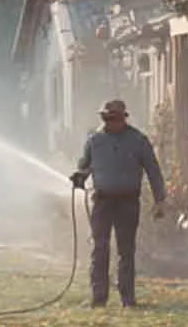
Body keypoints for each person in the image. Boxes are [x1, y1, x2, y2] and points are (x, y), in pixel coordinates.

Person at [69, 98, 166, 308]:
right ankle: (98, 298)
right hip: (102, 202)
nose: (109, 122)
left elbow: (153, 170)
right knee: (100, 248)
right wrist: (80, 176)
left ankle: (127, 299)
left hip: (127, 202)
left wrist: (160, 200)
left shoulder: (138, 141)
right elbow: (84, 166)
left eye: (113, 118)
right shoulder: (94, 141)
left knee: (126, 250)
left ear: (123, 118)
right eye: (105, 118)